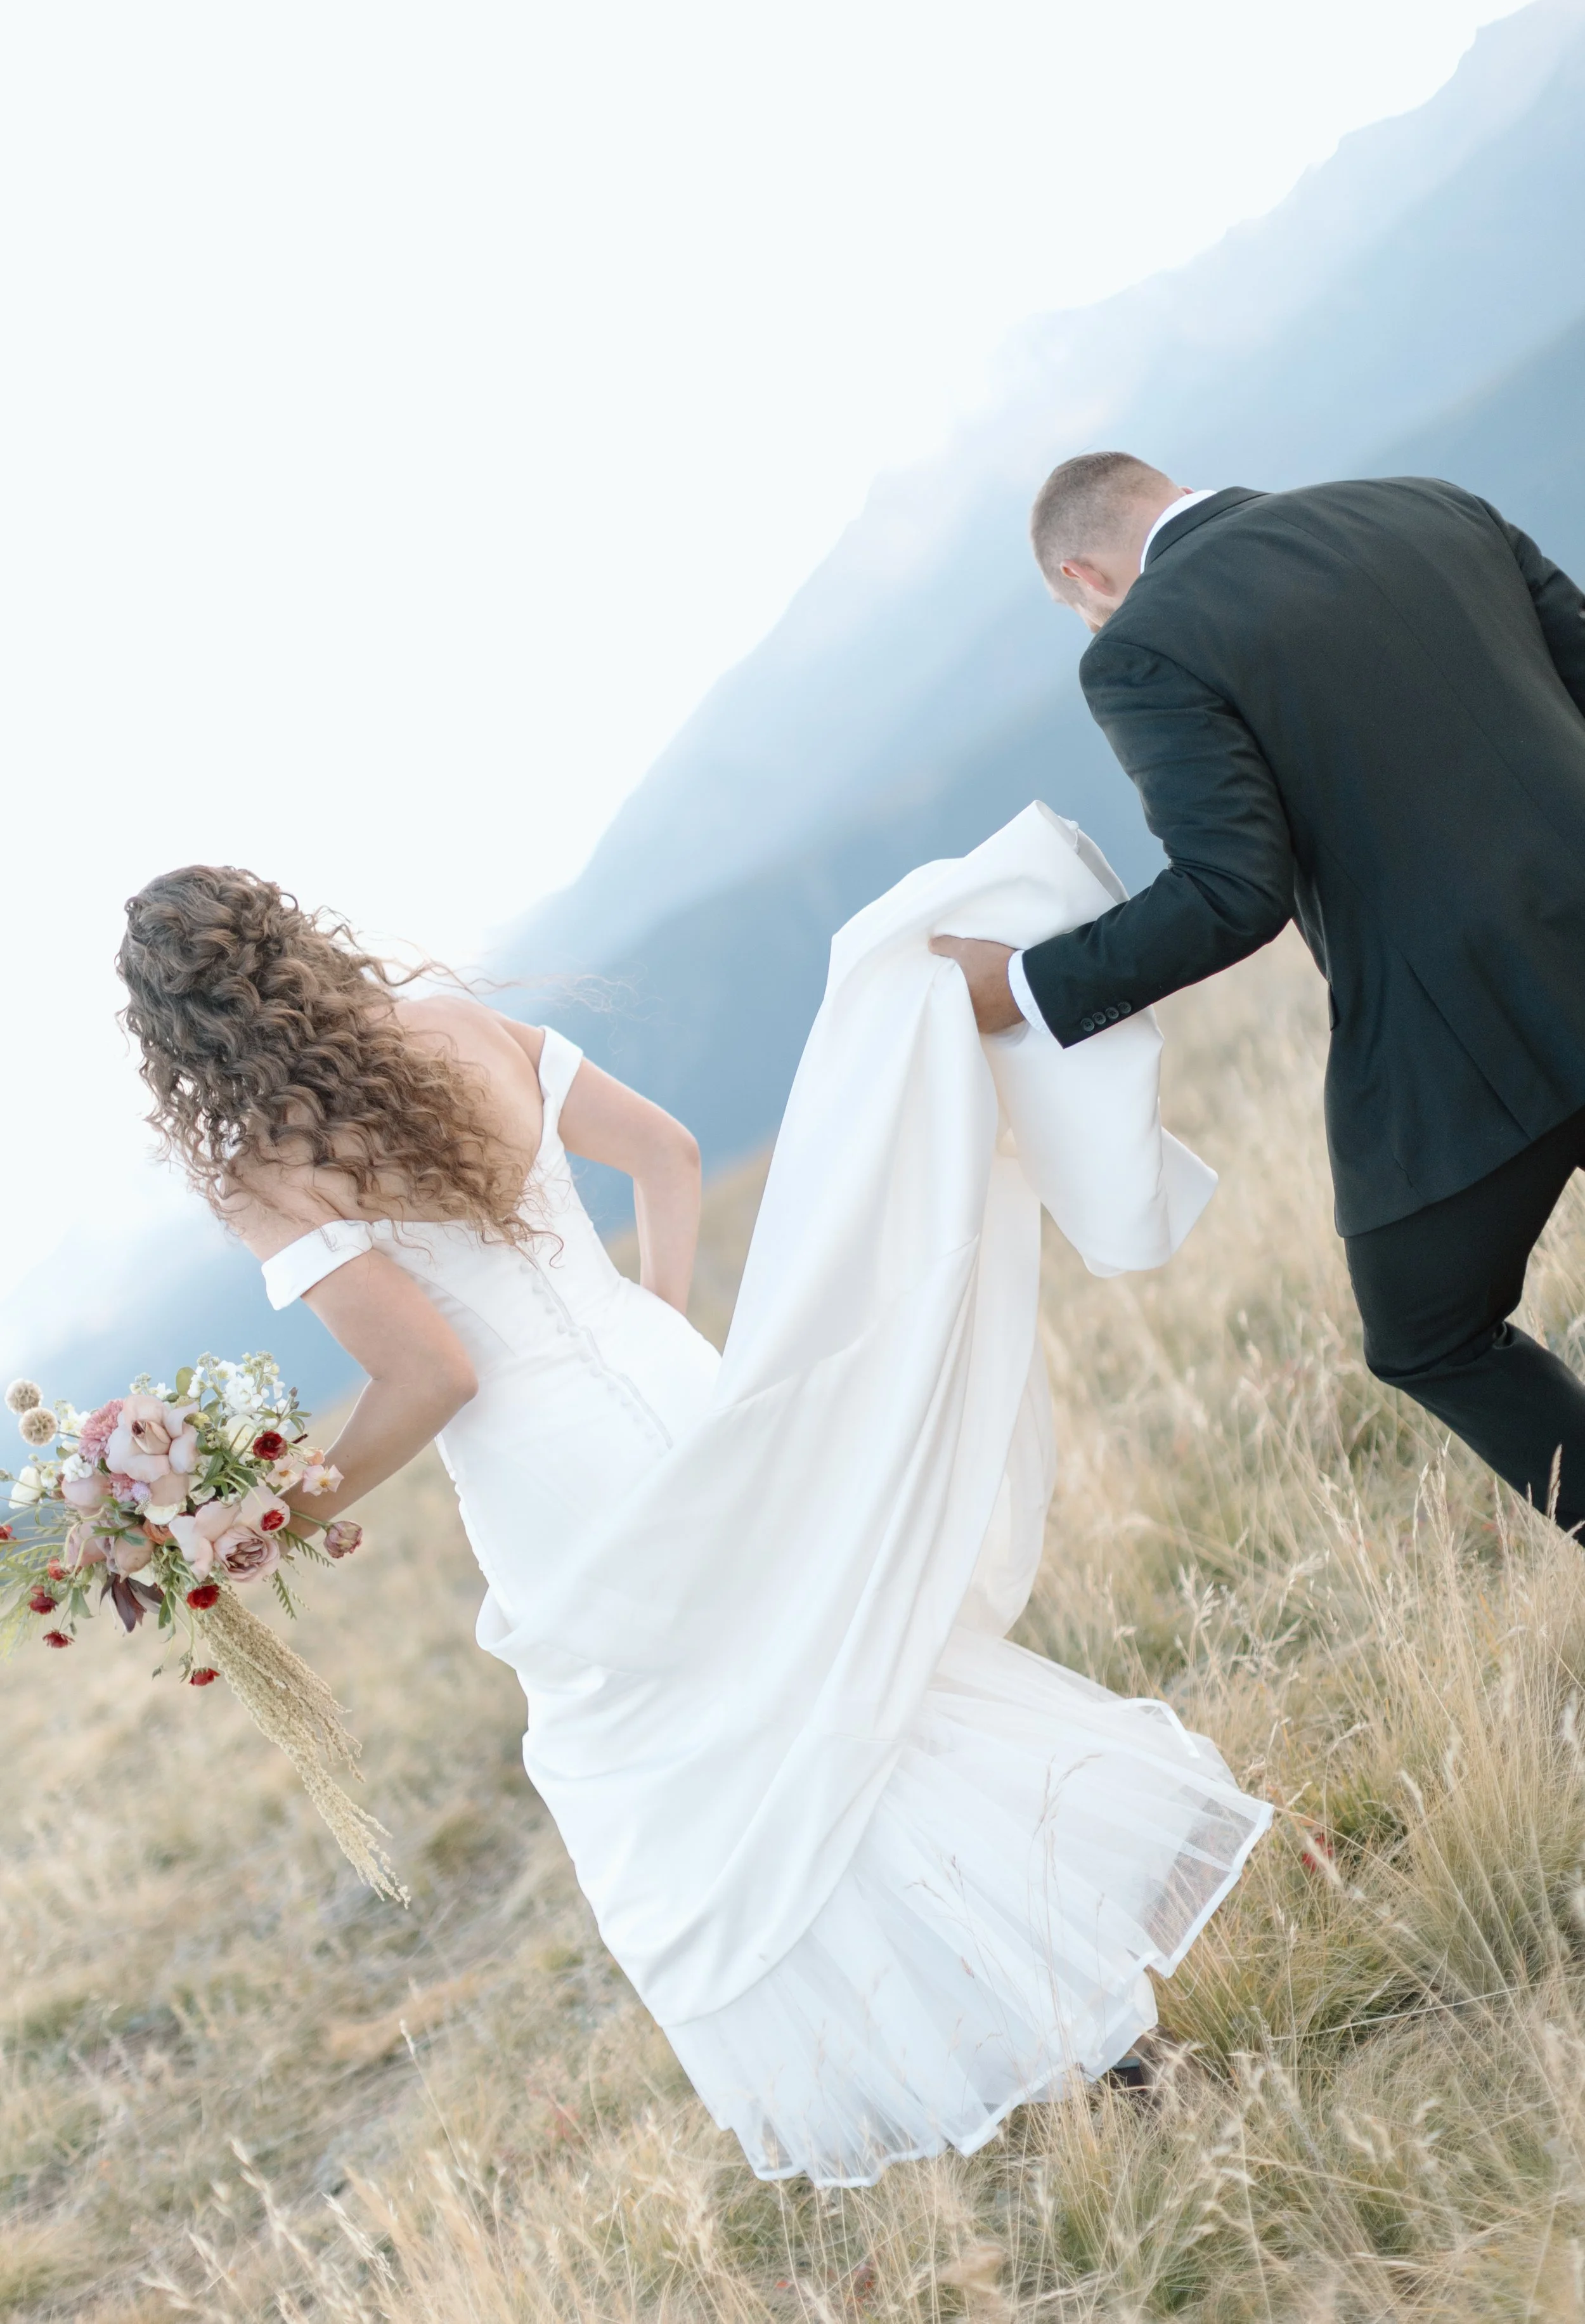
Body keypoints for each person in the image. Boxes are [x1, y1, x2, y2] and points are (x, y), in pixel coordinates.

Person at [117, 851, 1268, 2186]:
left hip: (555, 1485)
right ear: (291, 943)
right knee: (836, 1691)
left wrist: (276, 1514)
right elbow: (666, 1153)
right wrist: (651, 1322)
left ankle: (1045, 2039)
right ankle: (1087, 2010)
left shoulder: (263, 1172)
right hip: (674, 1386)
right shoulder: (459, 1027)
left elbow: (433, 1374)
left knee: (739, 1769)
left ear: (178, 1041)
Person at [935, 455, 1585, 1534]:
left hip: (1472, 1033)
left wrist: (1021, 985)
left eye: (1072, 609)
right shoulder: (1426, 502)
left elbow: (1230, 893)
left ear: (1083, 576)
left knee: (1425, 1328)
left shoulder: (1141, 646)